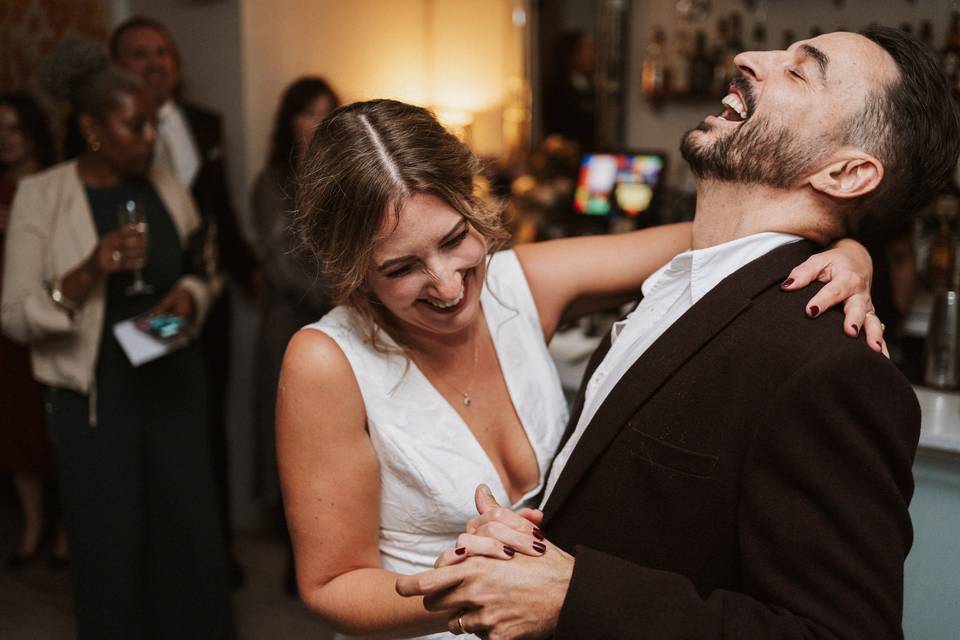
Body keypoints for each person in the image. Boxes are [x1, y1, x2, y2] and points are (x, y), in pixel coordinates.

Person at [396, 27, 959, 639]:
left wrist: (573, 597)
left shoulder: (833, 369)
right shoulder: (673, 292)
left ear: (847, 173)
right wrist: (525, 547)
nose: (748, 58)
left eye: (801, 71)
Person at [278, 99, 885, 640]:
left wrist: (850, 255)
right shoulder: (326, 362)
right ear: (354, 269)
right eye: (400, 268)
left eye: (455, 238)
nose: (446, 284)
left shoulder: (521, 286)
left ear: (472, 204)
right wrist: (467, 591)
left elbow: (721, 240)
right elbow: (331, 584)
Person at [2, 39, 232, 638]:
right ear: (92, 128)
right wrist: (87, 271)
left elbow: (202, 268)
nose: (151, 139)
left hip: (172, 383)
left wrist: (191, 297)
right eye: (135, 127)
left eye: (153, 125)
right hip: (96, 398)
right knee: (112, 541)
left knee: (188, 535)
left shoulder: (163, 183)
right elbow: (16, 314)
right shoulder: (42, 195)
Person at [108, 15, 259, 586]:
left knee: (204, 424)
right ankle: (153, 559)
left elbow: (220, 215)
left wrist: (251, 273)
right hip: (136, 307)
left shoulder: (204, 124)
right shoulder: (98, 137)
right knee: (150, 423)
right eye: (138, 54)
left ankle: (214, 553)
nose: (154, 64)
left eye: (162, 52)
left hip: (205, 307)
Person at [250, 76, 340, 592]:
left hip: (342, 320)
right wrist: (348, 298)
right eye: (307, 113)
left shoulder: (344, 178)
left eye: (326, 113)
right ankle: (297, 556)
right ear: (288, 120)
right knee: (293, 444)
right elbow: (283, 264)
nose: (315, 124)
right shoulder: (272, 181)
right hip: (290, 325)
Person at [0, 92, 68, 571]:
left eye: (13, 128)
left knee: (55, 426)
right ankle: (32, 524)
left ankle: (66, 530)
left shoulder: (56, 186)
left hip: (52, 313)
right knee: (15, 427)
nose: (5, 139)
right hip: (5, 322)